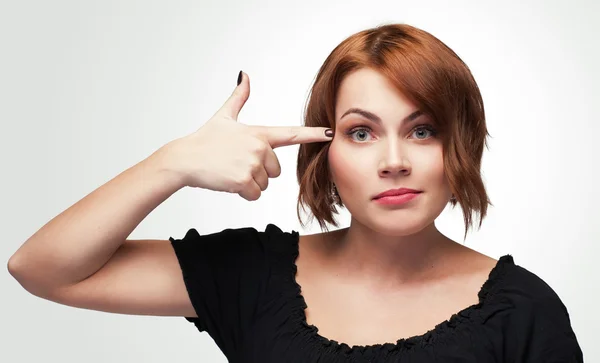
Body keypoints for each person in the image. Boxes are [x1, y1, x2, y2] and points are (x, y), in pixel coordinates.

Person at [7, 23, 583, 362]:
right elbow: (43, 268)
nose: (393, 161)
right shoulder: (253, 276)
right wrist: (172, 163)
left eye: (422, 130)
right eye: (361, 132)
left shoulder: (524, 312)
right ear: (325, 152)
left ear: (460, 144)